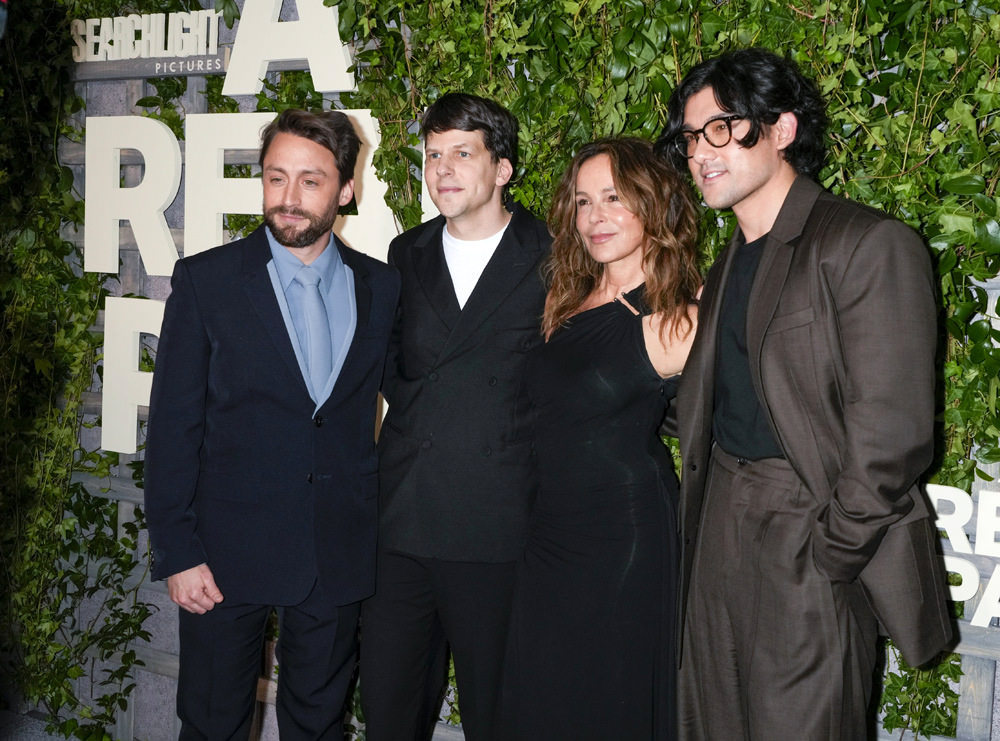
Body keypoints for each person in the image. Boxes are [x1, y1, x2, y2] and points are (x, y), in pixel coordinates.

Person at [654, 48, 953, 740]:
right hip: (719, 526)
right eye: (692, 138)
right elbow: (719, 404)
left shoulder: (867, 243)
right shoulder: (728, 259)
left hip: (807, 535)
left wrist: (830, 557)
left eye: (721, 129)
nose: (701, 153)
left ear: (781, 130)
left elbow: (892, 439)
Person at [144, 108, 400, 740]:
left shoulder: (382, 287)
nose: (288, 198)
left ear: (345, 190)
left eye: (310, 181)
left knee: (320, 725)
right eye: (275, 177)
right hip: (222, 558)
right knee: (211, 725)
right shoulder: (208, 281)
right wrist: (178, 550)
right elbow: (174, 426)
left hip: (334, 550)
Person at [360, 93, 551, 741]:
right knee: (389, 714)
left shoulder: (554, 255)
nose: (441, 169)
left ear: (502, 169)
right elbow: (390, 366)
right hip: (402, 529)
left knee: (497, 719)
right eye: (432, 154)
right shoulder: (405, 253)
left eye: (461, 153)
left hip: (498, 530)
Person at [500, 137, 700, 741]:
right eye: (584, 202)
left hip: (624, 537)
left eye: (615, 198)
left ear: (653, 205)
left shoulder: (676, 315)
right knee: (544, 698)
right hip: (550, 532)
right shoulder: (567, 299)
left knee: (608, 703)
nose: (595, 217)